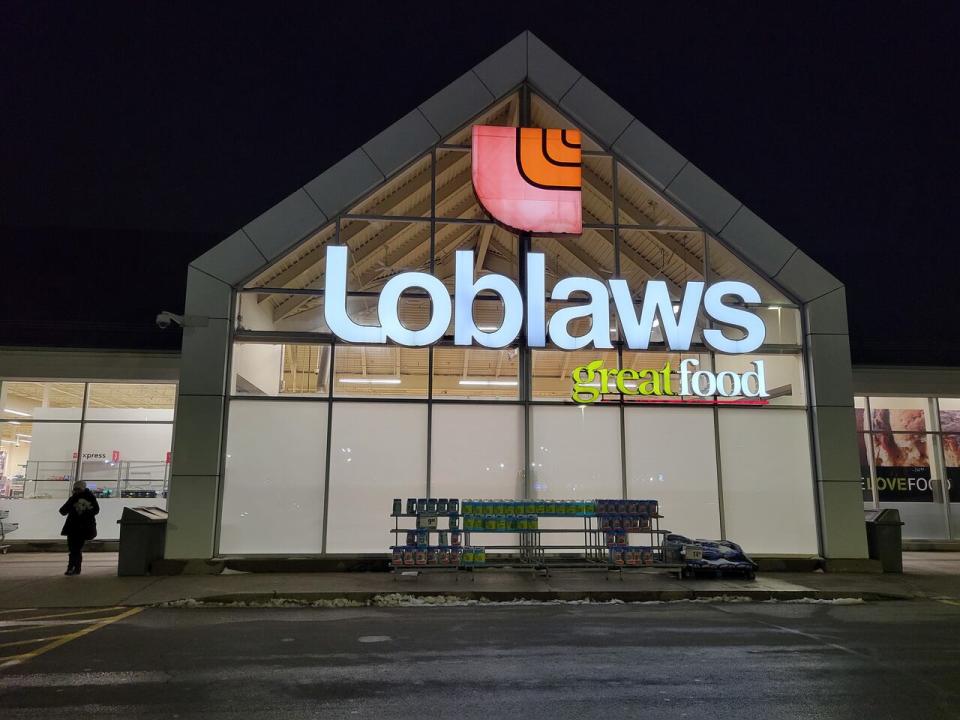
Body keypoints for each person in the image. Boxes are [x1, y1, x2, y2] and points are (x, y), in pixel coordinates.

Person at [59, 480, 99, 575]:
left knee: (74, 549)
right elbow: (96, 510)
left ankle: (72, 568)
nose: (76, 491)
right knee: (76, 549)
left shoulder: (75, 498)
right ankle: (75, 568)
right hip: (83, 528)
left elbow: (63, 511)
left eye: (77, 489)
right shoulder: (90, 497)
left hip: (75, 528)